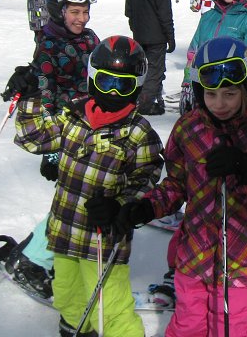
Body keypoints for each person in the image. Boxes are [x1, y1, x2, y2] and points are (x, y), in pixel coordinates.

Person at [114, 37, 247, 337]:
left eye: (229, 93)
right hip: (195, 257)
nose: (219, 104)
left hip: (244, 261)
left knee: (231, 329)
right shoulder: (190, 128)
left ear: (246, 87)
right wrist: (146, 206)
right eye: (210, 94)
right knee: (188, 325)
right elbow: (176, 184)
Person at [12, 35, 164, 337]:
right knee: (66, 293)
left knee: (111, 309)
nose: (113, 92)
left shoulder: (138, 133)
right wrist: (30, 97)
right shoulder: (73, 115)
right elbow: (33, 138)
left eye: (123, 85)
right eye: (106, 82)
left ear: (136, 87)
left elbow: (146, 179)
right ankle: (77, 328)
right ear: (93, 79)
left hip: (102, 240)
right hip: (64, 231)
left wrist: (121, 205)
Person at [0, 0, 101, 300]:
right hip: (64, 130)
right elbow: (45, 95)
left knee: (78, 197)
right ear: (59, 10)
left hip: (91, 126)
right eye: (75, 12)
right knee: (75, 200)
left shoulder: (90, 39)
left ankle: (42, 253)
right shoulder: (49, 44)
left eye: (85, 12)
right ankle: (34, 259)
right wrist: (52, 152)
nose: (81, 18)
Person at [125, 0, 175, 116]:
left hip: (139, 36)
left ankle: (142, 99)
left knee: (140, 69)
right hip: (157, 38)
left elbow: (128, 12)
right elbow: (165, 14)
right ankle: (146, 105)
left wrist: (136, 29)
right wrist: (170, 37)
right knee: (154, 71)